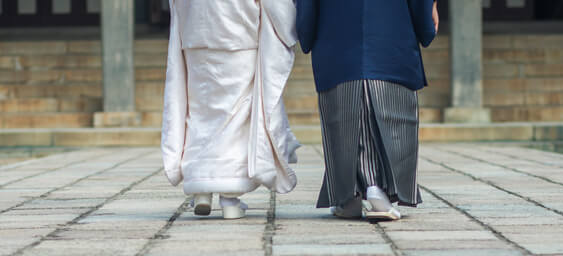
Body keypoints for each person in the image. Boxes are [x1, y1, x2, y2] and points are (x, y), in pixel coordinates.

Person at [296, 0, 438, 221]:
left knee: (343, 120)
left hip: (337, 37)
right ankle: (375, 187)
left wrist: (306, 28)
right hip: (390, 36)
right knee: (394, 118)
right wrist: (426, 17)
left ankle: (349, 197)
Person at [162, 0, 301, 220]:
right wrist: (293, 26)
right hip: (239, 40)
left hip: (195, 42)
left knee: (198, 115)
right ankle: (230, 198)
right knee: (236, 118)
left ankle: (201, 190)